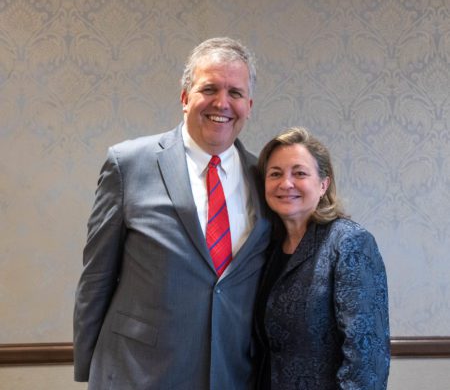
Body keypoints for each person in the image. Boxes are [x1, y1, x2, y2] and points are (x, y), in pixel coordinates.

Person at [73, 37, 271, 390]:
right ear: (184, 98)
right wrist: (91, 369)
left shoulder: (264, 178)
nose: (222, 103)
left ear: (249, 105)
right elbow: (96, 277)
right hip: (139, 373)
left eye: (235, 93)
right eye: (209, 88)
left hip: (232, 374)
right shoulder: (129, 164)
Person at [254, 127, 390, 389]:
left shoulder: (349, 243)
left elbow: (366, 359)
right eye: (275, 174)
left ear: (323, 184)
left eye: (300, 173)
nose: (286, 183)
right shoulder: (266, 248)